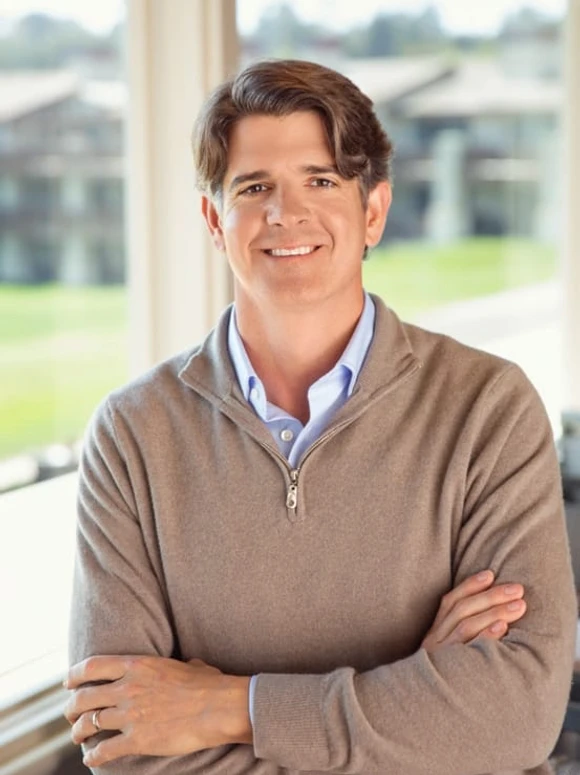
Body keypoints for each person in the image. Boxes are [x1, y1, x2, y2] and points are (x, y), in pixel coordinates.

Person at [64, 59, 576, 775]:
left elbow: (514, 717)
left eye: (321, 180)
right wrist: (413, 711)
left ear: (373, 211)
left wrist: (227, 707)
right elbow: (119, 738)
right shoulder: (131, 435)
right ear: (215, 220)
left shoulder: (488, 407)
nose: (286, 213)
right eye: (254, 187)